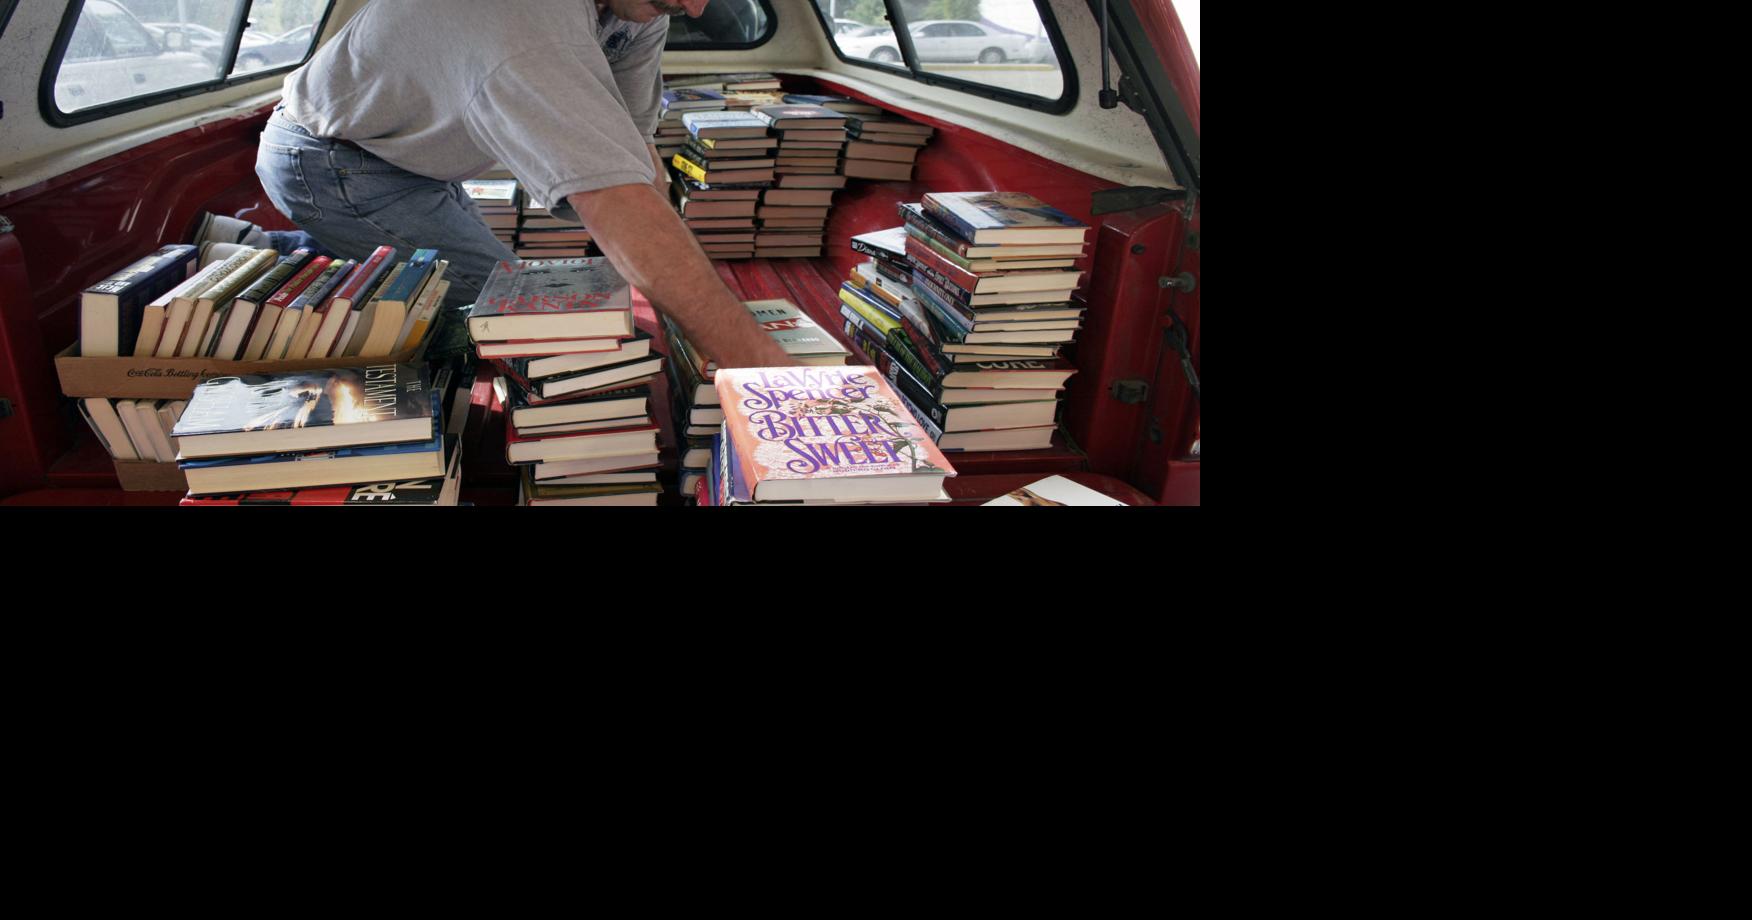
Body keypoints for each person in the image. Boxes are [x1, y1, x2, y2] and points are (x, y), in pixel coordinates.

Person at [203, 0, 789, 369]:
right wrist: (759, 364)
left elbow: (632, 158)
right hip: (333, 160)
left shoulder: (641, 10)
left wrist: (677, 295)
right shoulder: (524, 23)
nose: (693, 5)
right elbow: (615, 199)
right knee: (517, 320)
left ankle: (269, 251)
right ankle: (262, 262)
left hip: (408, 158)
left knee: (485, 294)